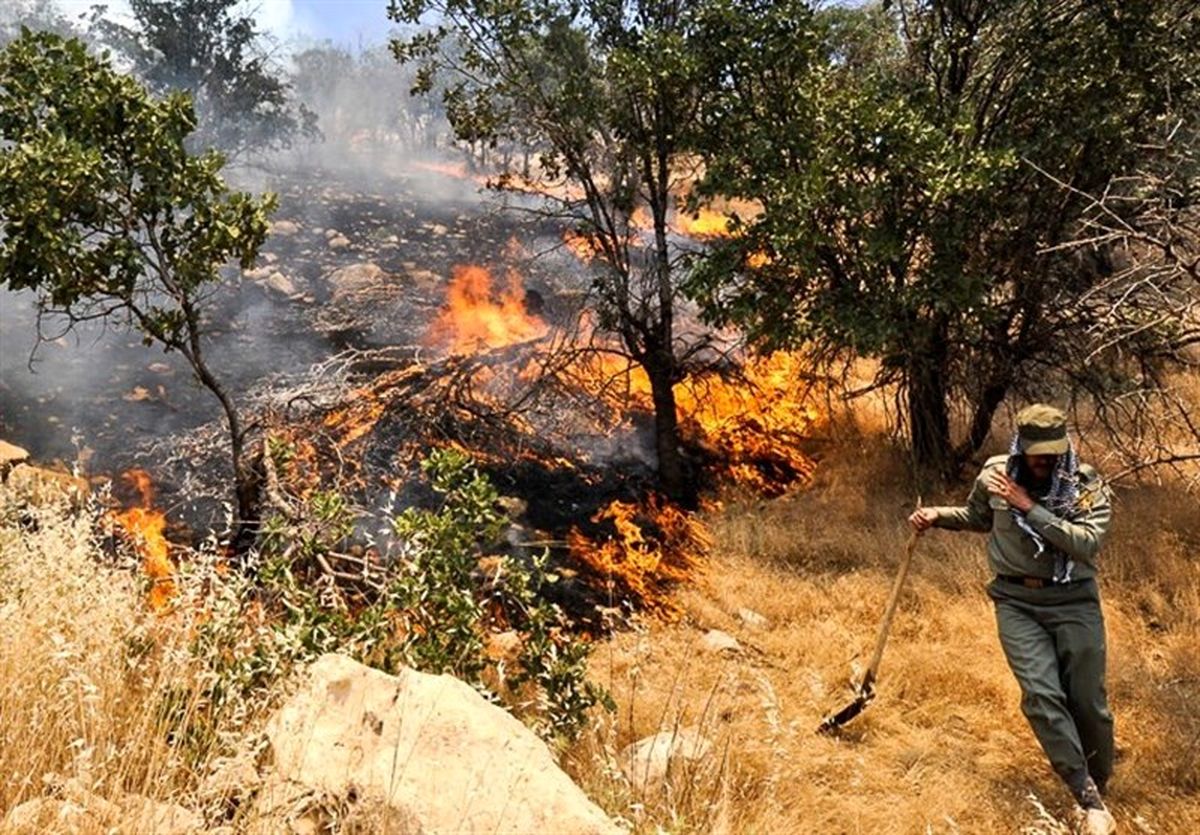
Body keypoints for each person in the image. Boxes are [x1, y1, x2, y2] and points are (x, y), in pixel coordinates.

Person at [908, 405, 1117, 835]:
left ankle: (1101, 779)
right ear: (1021, 446)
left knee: (1087, 703)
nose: (1045, 461)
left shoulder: (1085, 484)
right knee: (1041, 695)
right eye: (1038, 453)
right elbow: (979, 518)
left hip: (1074, 600)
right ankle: (1086, 796)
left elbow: (1087, 544)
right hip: (1016, 601)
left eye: (1053, 454)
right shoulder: (994, 476)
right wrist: (937, 516)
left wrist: (1030, 508)